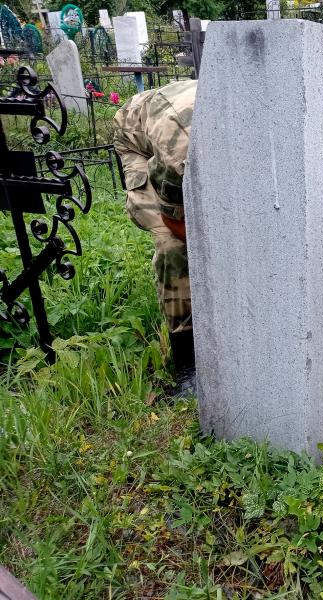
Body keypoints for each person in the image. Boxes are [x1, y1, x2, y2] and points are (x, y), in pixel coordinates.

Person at [112, 80, 197, 395]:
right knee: (173, 245)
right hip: (137, 137)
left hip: (172, 110)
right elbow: (175, 220)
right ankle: (187, 362)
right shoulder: (181, 153)